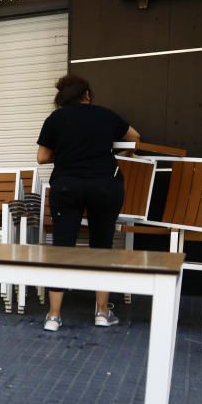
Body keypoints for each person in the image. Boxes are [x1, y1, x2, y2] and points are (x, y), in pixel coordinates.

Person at [36, 74, 140, 332]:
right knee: (102, 246)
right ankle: (102, 313)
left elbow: (42, 157)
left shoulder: (55, 119)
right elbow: (135, 138)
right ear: (88, 95)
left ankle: (53, 315)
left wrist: (68, 153)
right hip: (105, 185)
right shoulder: (105, 115)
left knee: (62, 247)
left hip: (67, 186)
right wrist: (119, 152)